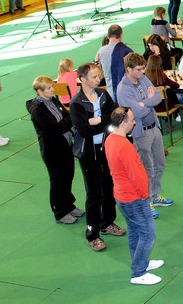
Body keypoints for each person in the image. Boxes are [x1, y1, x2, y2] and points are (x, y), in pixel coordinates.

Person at [70, 63, 125, 252]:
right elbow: (84, 130)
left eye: (98, 75)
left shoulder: (102, 95)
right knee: (93, 194)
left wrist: (98, 120)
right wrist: (105, 120)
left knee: (109, 187)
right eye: (94, 77)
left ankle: (107, 222)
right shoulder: (77, 103)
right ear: (82, 79)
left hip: (106, 149)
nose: (98, 79)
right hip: (88, 153)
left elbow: (116, 115)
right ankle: (93, 235)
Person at [105, 107, 163, 285]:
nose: (135, 122)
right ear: (123, 123)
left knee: (134, 232)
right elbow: (136, 175)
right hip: (134, 198)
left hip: (122, 195)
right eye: (132, 120)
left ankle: (141, 262)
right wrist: (145, 195)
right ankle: (138, 272)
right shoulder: (124, 147)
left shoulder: (110, 139)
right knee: (148, 234)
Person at [116, 53, 172, 218]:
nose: (142, 72)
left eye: (143, 69)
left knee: (160, 164)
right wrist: (149, 100)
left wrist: (144, 102)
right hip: (141, 133)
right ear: (128, 69)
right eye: (139, 70)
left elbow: (157, 97)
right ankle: (146, 201)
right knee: (146, 169)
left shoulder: (143, 78)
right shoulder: (123, 89)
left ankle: (155, 195)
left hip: (154, 127)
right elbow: (136, 113)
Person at [27, 76, 82, 224]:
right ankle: (59, 212)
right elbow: (55, 127)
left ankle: (68, 205)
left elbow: (67, 117)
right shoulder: (38, 109)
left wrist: (65, 122)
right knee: (58, 180)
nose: (53, 89)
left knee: (68, 176)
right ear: (39, 91)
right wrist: (65, 122)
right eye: (49, 88)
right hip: (52, 150)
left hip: (65, 145)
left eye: (52, 86)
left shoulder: (53, 100)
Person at [96, 24, 134, 101]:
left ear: (108, 36)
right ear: (121, 34)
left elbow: (99, 69)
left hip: (110, 91)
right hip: (126, 91)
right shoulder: (127, 51)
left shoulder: (101, 51)